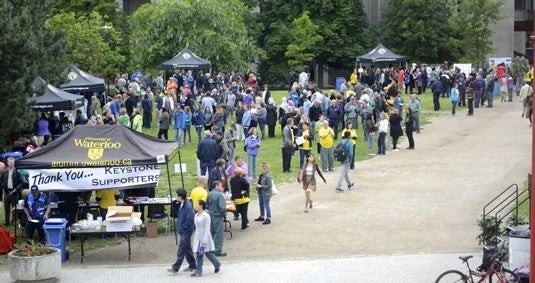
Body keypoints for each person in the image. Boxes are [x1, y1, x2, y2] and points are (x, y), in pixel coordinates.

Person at [168, 188, 197, 274]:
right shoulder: (183, 204)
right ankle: (192, 265)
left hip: (186, 231)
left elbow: (190, 219)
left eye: (176, 195)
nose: (175, 197)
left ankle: (175, 267)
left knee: (181, 249)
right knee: (187, 249)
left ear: (180, 196)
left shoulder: (187, 206)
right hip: (184, 230)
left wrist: (183, 227)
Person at [190, 200, 221, 277]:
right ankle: (199, 271)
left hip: (204, 239)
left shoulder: (206, 216)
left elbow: (207, 228)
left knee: (206, 254)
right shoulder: (196, 215)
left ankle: (215, 264)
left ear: (201, 206)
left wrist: (204, 240)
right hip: (198, 238)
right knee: (199, 254)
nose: (195, 206)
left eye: (197, 204)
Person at [2, 156, 25, 225]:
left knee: (14, 208)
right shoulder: (4, 171)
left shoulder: (17, 171)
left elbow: (22, 182)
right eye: (10, 162)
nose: (12, 164)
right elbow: (2, 180)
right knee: (6, 207)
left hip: (14, 192)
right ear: (7, 163)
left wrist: (16, 189)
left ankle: (14, 221)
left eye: (13, 162)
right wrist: (3, 186)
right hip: (6, 192)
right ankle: (7, 221)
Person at [206, 181, 227, 257]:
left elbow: (207, 205)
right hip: (218, 216)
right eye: (220, 186)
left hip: (210, 215)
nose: (221, 187)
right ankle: (217, 250)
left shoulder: (210, 194)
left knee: (212, 233)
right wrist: (224, 215)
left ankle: (211, 249)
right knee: (219, 234)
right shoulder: (219, 195)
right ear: (216, 186)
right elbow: (222, 208)